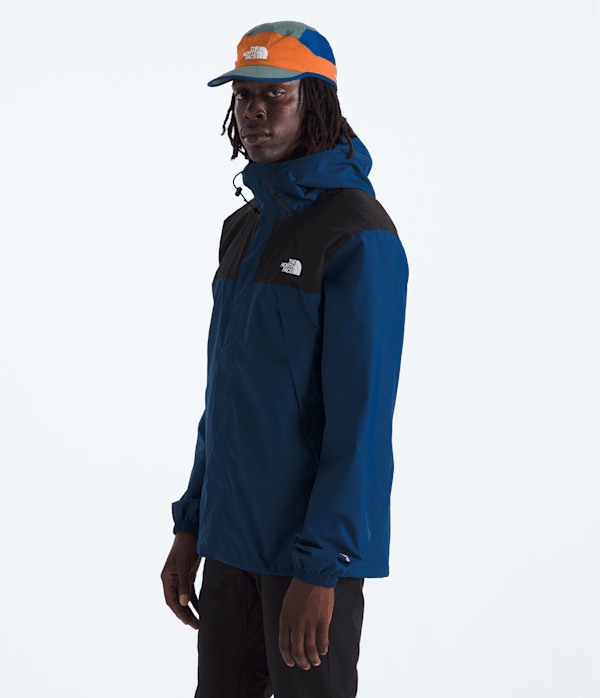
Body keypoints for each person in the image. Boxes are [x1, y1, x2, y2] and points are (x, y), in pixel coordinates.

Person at [161, 20, 410, 698]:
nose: (255, 111)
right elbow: (227, 398)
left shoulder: (359, 236)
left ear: (317, 102)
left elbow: (361, 423)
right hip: (230, 544)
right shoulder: (243, 229)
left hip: (307, 560)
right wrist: (192, 525)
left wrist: (322, 567)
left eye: (277, 94)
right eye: (244, 95)